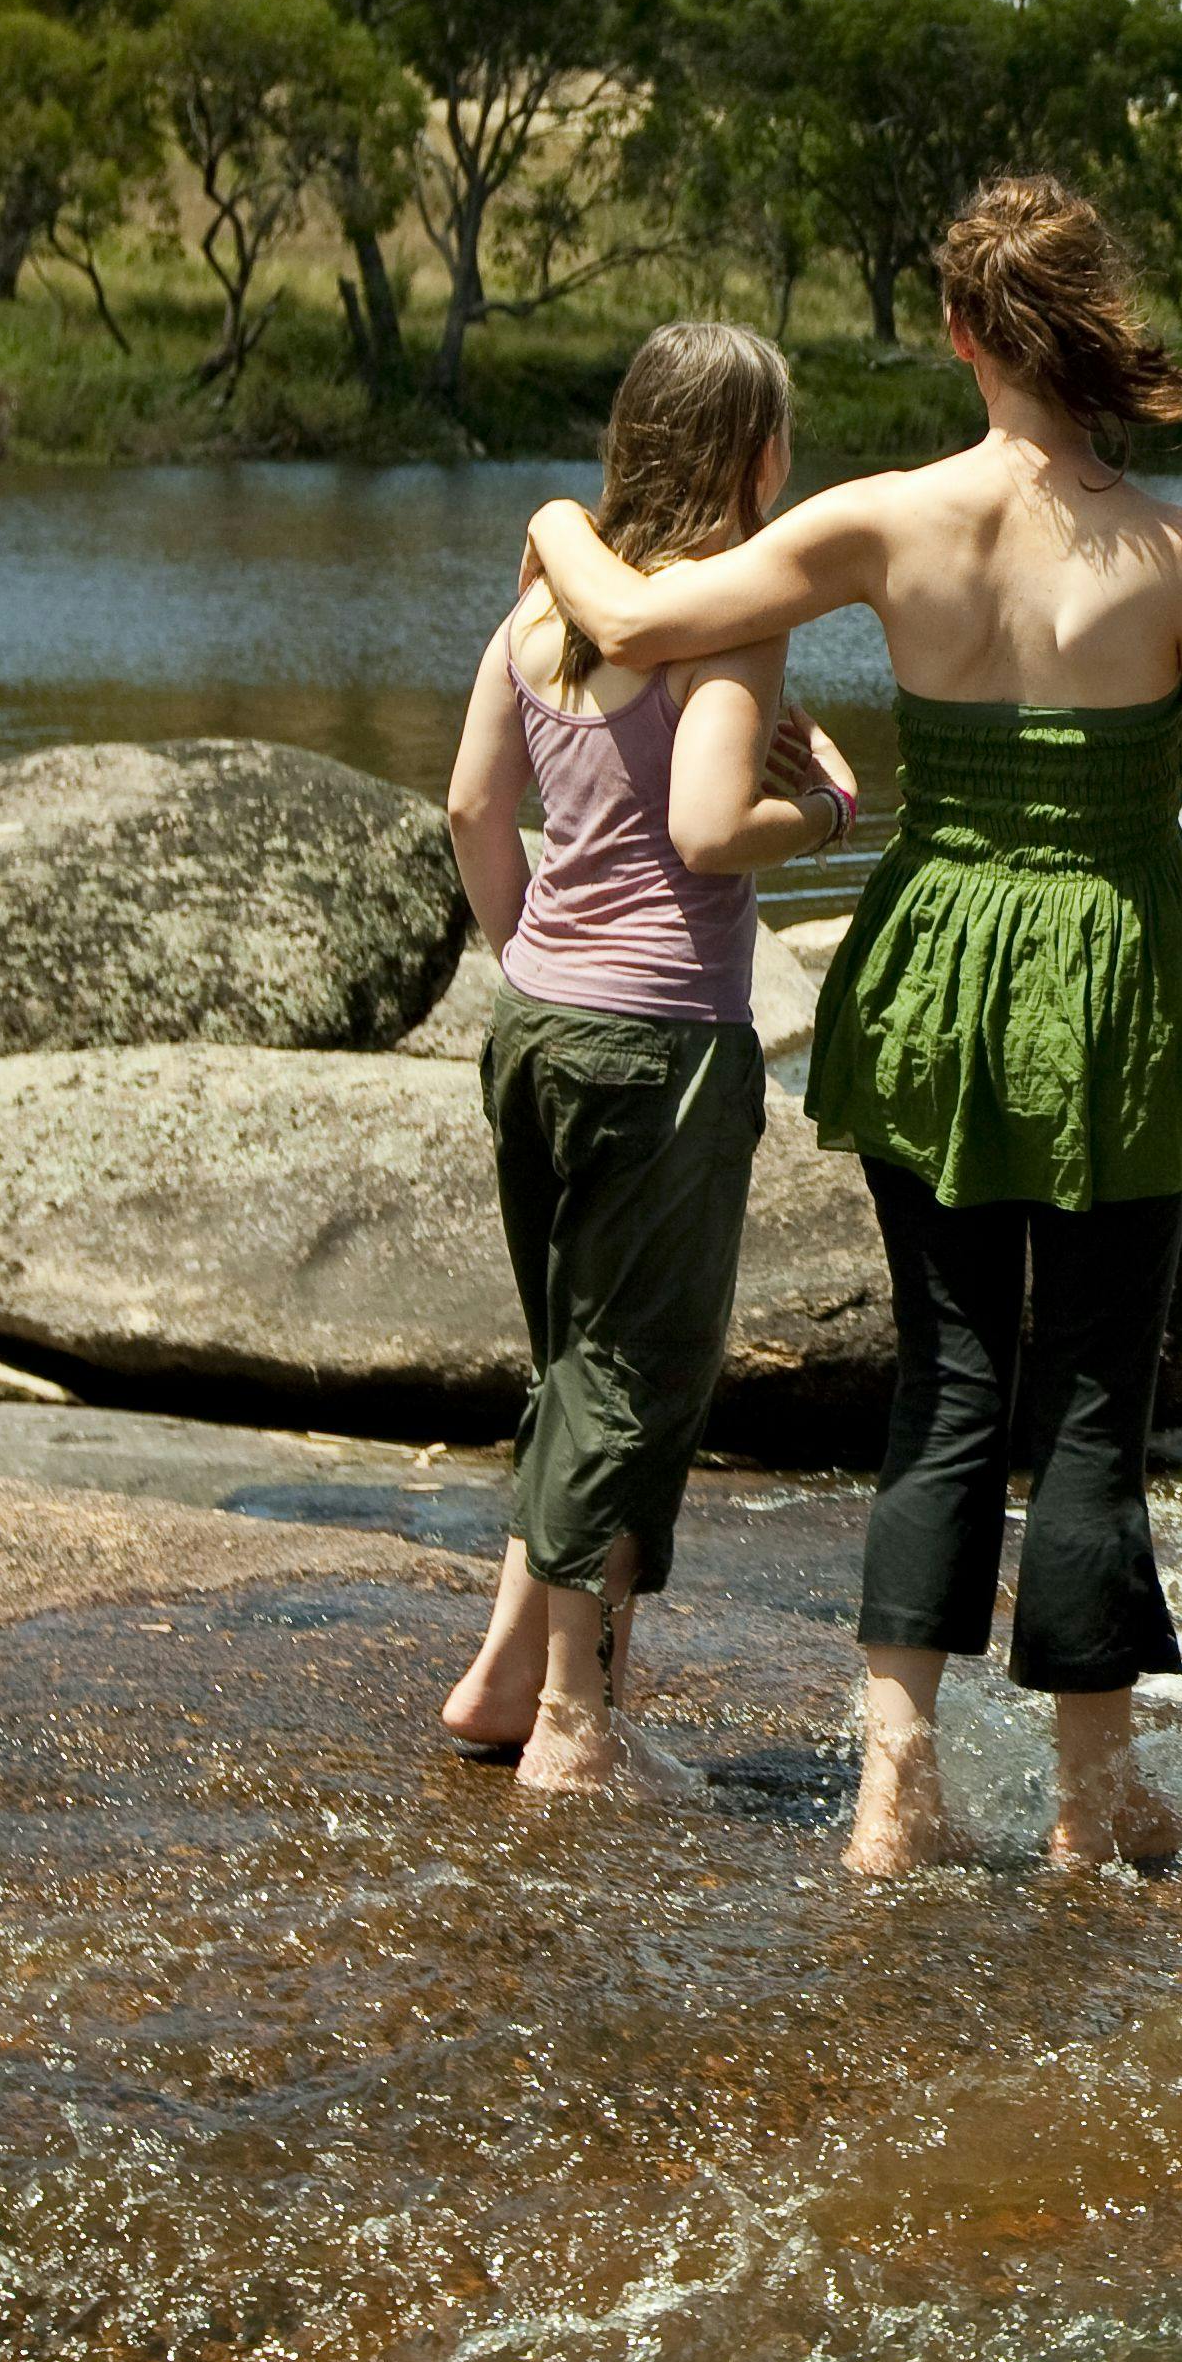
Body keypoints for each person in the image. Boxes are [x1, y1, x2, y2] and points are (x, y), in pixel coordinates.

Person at [525, 176, 1182, 1877]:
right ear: (1096, 328)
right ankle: (1093, 1808)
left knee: (944, 1383)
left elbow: (627, 620)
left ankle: (890, 1793)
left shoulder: (881, 519)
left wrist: (559, 515)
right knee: (1087, 1393)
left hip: (935, 964)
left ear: (956, 332)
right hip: (1109, 979)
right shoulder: (1179, 554)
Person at [434, 320, 859, 1795]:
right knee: (631, 1378)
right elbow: (705, 829)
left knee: (570, 1359)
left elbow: (472, 811)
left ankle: (503, 1678)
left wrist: (529, 964)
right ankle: (574, 1726)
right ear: (756, 455)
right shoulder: (728, 617)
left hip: (539, 1025)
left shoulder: (542, 613)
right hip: (664, 1039)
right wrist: (827, 818)